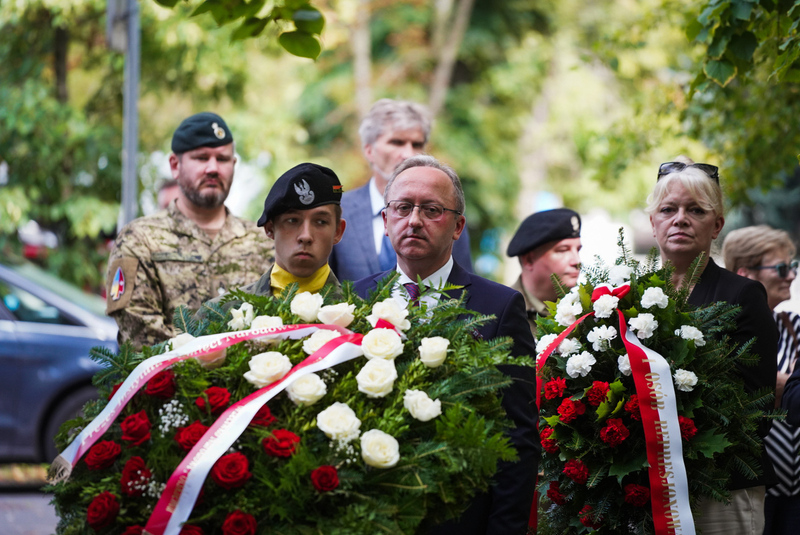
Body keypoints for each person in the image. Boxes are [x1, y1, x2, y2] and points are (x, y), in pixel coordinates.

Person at [353, 155, 538, 535]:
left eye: (432, 209)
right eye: (403, 208)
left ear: (458, 226)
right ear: (386, 222)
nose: (415, 220)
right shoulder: (355, 301)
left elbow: (517, 437)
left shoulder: (499, 308)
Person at [646, 157, 778, 534]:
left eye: (696, 210)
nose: (680, 219)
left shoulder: (744, 295)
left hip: (722, 488)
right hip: (647, 489)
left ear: (717, 224)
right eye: (668, 209)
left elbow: (758, 405)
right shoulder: (632, 298)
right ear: (652, 222)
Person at [105, 112, 274, 348]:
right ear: (175, 165)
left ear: (233, 165)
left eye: (223, 159)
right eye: (202, 158)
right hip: (169, 382)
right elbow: (141, 338)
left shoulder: (264, 240)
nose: (213, 168)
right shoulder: (140, 239)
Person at [329, 99, 471, 281]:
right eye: (397, 142)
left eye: (417, 145)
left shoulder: (445, 214)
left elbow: (464, 289)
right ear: (369, 150)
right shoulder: (339, 211)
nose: (408, 153)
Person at [722, 225, 800, 535]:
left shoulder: (794, 325)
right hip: (755, 492)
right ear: (746, 273)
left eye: (791, 266)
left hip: (796, 499)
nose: (791, 275)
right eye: (781, 268)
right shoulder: (728, 333)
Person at [201, 162, 345, 311]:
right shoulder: (220, 314)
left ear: (338, 231)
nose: (306, 236)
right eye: (292, 220)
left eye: (321, 222)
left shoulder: (363, 318)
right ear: (270, 228)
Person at [506, 208, 582, 337]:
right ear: (529, 260)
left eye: (578, 250)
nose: (577, 261)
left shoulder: (589, 311)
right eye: (563, 250)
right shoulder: (502, 311)